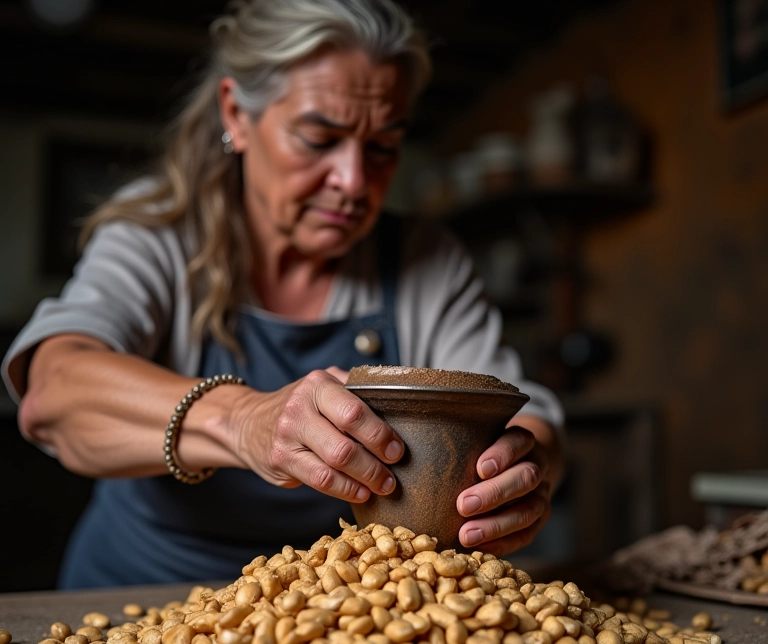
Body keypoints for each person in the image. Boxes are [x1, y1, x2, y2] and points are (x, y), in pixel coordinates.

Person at [1, 0, 564, 589]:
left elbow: (531, 420)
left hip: (341, 609)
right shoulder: (157, 239)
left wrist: (525, 471)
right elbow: (54, 392)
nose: (352, 181)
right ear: (236, 115)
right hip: (141, 598)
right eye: (319, 138)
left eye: (382, 148)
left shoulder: (425, 259)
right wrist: (242, 420)